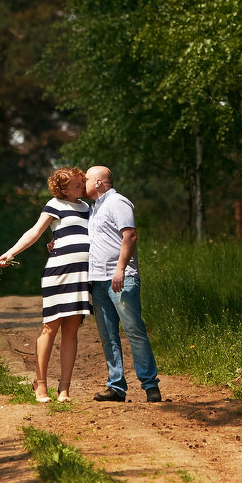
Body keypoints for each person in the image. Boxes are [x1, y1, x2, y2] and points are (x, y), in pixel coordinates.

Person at [0, 167, 90, 403]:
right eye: (78, 183)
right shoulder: (54, 205)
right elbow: (35, 232)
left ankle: (65, 389)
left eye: (82, 181)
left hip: (82, 275)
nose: (83, 184)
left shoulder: (88, 208)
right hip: (59, 274)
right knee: (51, 327)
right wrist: (10, 253)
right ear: (63, 189)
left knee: (71, 329)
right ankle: (40, 385)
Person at [84, 165, 162, 403]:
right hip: (97, 281)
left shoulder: (118, 202)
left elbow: (130, 235)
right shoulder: (93, 209)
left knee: (134, 331)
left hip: (121, 278)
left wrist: (120, 269)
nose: (82, 182)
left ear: (98, 182)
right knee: (108, 335)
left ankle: (150, 386)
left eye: (86, 178)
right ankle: (116, 386)